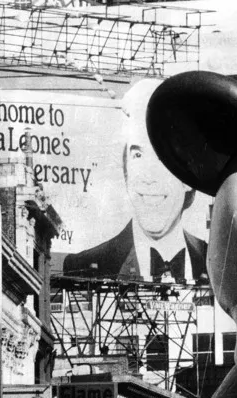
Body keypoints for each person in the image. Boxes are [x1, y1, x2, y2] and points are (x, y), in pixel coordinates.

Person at [62, 79, 207, 285]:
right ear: (126, 170)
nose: (148, 177)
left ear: (188, 179)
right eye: (138, 155)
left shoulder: (221, 267)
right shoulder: (84, 267)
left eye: (162, 159)